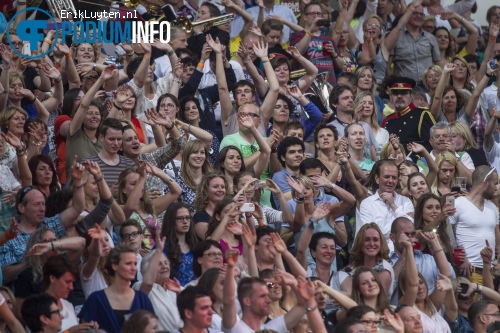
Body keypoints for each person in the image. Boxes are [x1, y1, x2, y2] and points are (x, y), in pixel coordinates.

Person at [0, 157, 86, 285]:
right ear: (21, 207)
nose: (42, 209)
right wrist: (33, 260)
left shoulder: (50, 224)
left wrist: (78, 182)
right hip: (26, 294)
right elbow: (5, 274)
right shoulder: (10, 236)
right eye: (36, 205)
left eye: (43, 204)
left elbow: (78, 208)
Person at [222, 250, 317, 332]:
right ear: (247, 301)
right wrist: (230, 269)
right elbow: (228, 302)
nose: (268, 300)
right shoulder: (235, 328)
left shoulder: (271, 329)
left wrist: (293, 283)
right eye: (262, 296)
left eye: (267, 295)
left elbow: (302, 305)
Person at [78, 245, 155, 333]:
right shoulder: (96, 299)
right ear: (115, 266)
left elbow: (154, 328)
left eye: (135, 264)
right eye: (128, 263)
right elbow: (80, 330)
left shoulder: (142, 298)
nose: (134, 268)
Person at [449, 166, 500, 284]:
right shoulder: (457, 203)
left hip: (491, 274)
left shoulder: (492, 208)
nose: (496, 188)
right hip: (469, 272)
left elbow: (497, 240)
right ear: (486, 183)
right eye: (495, 183)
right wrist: (460, 258)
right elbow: (447, 233)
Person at [358, 160, 414, 251]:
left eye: (394, 177)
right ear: (377, 179)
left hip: (404, 253)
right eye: (387, 177)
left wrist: (393, 206)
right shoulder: (367, 204)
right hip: (378, 254)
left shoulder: (406, 201)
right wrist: (400, 230)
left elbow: (411, 230)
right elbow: (371, 235)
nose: (390, 181)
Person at [135, 233, 182, 333]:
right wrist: (159, 250)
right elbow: (147, 284)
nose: (164, 266)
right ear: (147, 270)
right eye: (158, 264)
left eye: (166, 263)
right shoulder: (140, 287)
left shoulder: (178, 288)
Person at [382, 77, 436, 156]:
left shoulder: (422, 115)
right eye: (395, 93)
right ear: (390, 97)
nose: (399, 96)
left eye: (403, 93)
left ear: (411, 96)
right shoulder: (387, 121)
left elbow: (432, 143)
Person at [389, 3, 441, 83]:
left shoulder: (431, 38)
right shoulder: (396, 36)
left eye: (421, 14)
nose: (419, 16)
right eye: (415, 13)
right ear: (407, 14)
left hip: (427, 86)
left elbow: (438, 64)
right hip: (404, 87)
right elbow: (388, 65)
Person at [161, 202, 199, 286]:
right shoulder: (163, 246)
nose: (185, 221)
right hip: (173, 293)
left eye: (187, 218)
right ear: (171, 221)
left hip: (195, 292)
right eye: (180, 218)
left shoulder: (196, 245)